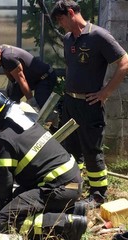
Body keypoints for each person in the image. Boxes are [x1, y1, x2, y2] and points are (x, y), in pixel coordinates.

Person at [0, 89, 87, 240]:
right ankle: (74, 211)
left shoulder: (5, 139)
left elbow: (5, 181)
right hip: (72, 183)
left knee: (6, 218)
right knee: (18, 198)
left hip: (59, 187)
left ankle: (68, 225)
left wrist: (0, 208)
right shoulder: (26, 122)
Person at [50, 0, 128, 208]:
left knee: (92, 149)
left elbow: (124, 61)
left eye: (61, 19)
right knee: (71, 148)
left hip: (89, 104)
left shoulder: (98, 36)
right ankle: (76, 185)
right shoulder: (68, 40)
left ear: (70, 13)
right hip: (70, 103)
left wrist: (106, 92)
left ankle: (99, 193)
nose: (60, 24)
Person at [0, 42, 57, 112]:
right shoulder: (2, 54)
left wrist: (32, 102)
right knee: (11, 101)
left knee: (38, 110)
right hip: (33, 79)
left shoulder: (8, 57)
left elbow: (22, 80)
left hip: (45, 78)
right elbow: (10, 74)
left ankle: (53, 118)